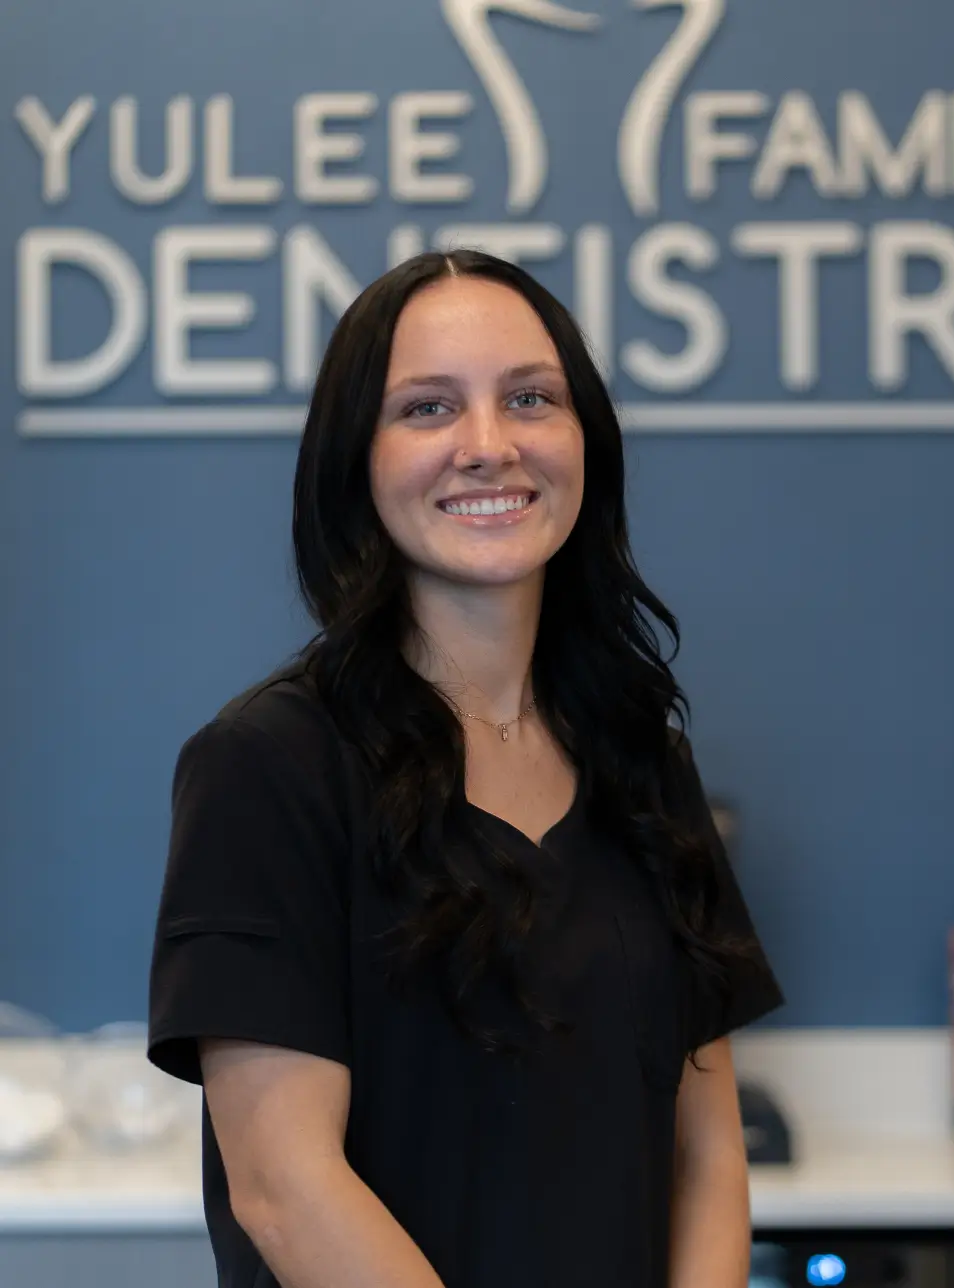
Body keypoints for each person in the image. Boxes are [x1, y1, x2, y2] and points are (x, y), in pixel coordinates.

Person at [147, 249, 785, 1288]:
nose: (489, 446)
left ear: (586, 438)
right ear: (355, 460)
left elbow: (706, 1154)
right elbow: (283, 1185)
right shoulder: (266, 766)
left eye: (531, 398)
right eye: (428, 409)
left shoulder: (641, 758)